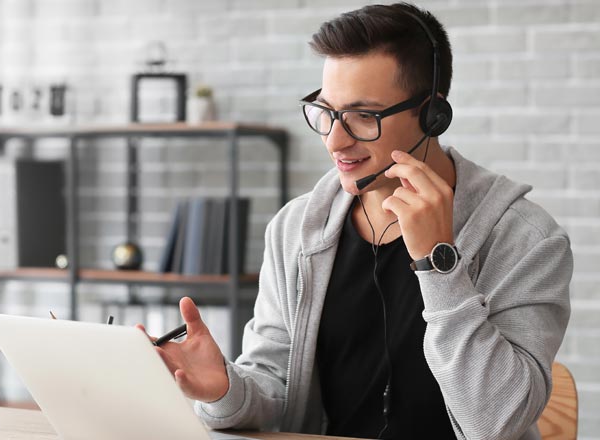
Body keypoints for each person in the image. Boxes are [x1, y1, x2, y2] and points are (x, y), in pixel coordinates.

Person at [138, 3, 572, 439]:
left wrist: (439, 265)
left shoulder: (526, 239)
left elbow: (497, 422)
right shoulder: (294, 230)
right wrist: (223, 390)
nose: (335, 139)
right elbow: (277, 385)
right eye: (327, 111)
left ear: (432, 114)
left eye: (365, 117)